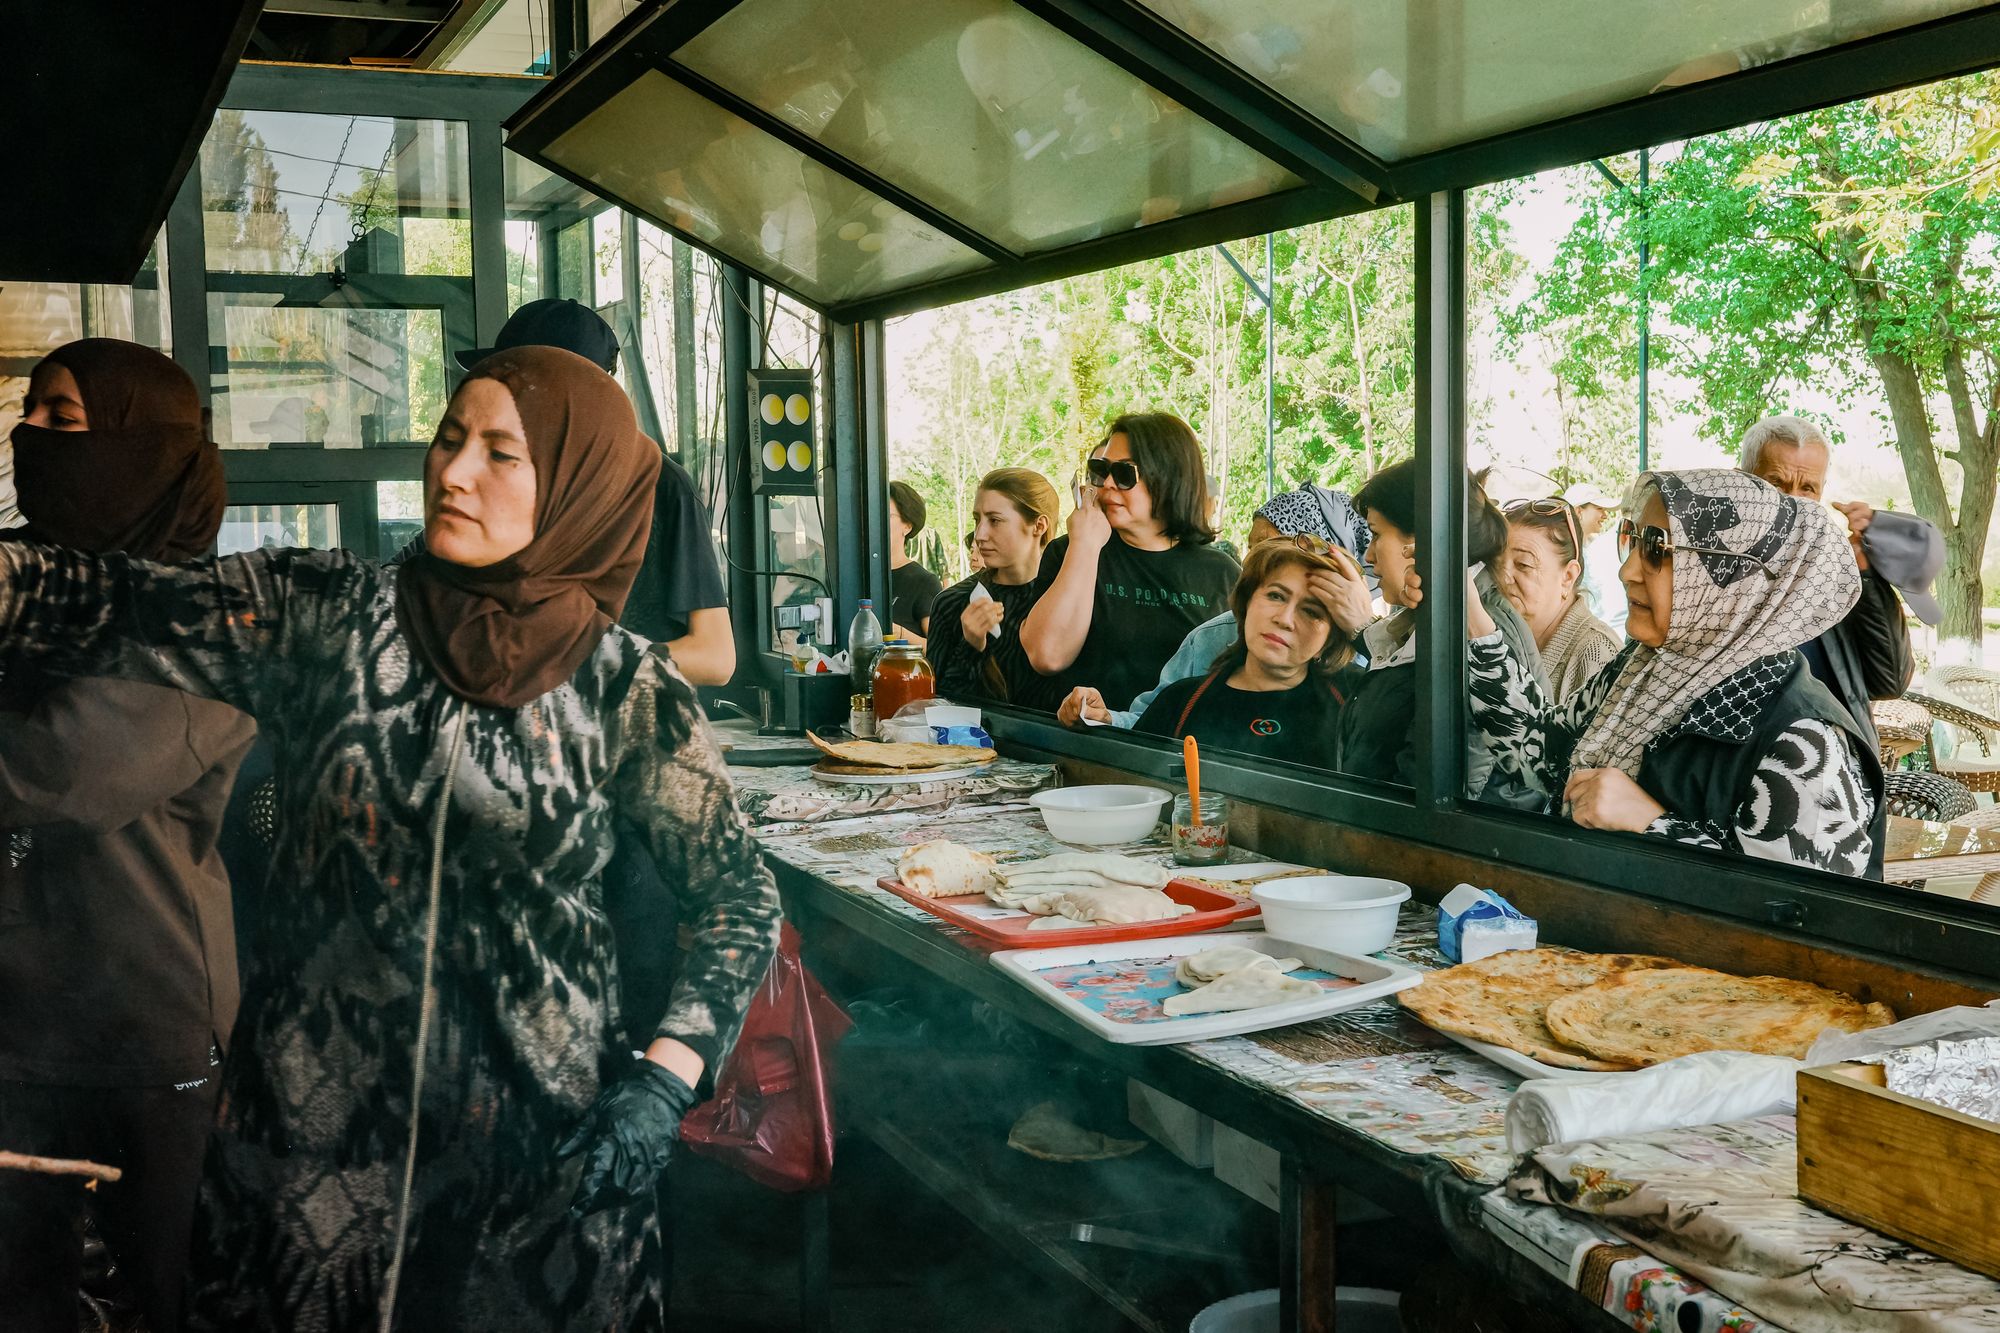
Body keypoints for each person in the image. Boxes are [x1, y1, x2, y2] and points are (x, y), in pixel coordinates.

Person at [0, 348, 781, 1329]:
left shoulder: (621, 686)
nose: (453, 471)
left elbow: (737, 897)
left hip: (531, 1172)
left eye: (501, 453)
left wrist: (666, 1080)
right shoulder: (321, 613)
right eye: (450, 438)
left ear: (574, 487)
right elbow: (88, 599)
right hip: (310, 1171)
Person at [0, 341, 250, 1333]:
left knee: (159, 1298)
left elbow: (55, 774)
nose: (31, 437)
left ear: (142, 449)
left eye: (65, 422)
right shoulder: (33, 583)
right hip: (15, 1027)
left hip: (141, 1039)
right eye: (30, 413)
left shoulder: (206, 620)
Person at [1468, 468, 1884, 877]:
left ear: (1736, 581)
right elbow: (1543, 749)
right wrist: (1465, 600)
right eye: (1631, 540)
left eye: (1656, 550)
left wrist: (1651, 822)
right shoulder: (1646, 668)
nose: (1627, 571)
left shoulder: (1806, 739)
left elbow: (1804, 915)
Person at [457, 297, 735, 686]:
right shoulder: (503, 476)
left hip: (623, 737)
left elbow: (715, 657)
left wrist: (576, 658)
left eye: (515, 383)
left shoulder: (662, 487)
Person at [1057, 482, 1375, 729]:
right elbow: (1152, 722)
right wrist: (1107, 719)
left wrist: (1366, 633)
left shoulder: (1368, 660)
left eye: (1311, 611)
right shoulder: (1211, 639)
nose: (1285, 618)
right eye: (1255, 548)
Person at [1334, 460, 1545, 803]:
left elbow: (1434, 794)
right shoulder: (1434, 617)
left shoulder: (1476, 631)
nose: (1368, 555)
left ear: (1419, 542)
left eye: (1376, 535)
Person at [1737, 414, 1935, 757]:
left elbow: (1888, 681)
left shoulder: (1835, 574)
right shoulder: (1710, 572)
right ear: (1744, 481)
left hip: (1837, 766)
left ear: (1821, 493)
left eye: (1807, 488)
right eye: (1777, 484)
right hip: (1743, 768)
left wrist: (1865, 574)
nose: (1793, 501)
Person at [1021, 412, 1240, 711]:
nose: (1107, 483)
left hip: (1176, 747)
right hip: (1085, 742)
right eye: (1100, 470)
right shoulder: (1071, 551)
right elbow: (1047, 655)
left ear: (1169, 478)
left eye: (1125, 474)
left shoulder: (1221, 573)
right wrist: (1085, 543)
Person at [1133, 539, 1355, 761]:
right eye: (1276, 596)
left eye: (1311, 611)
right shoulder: (1178, 702)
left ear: (1330, 639)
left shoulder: (1354, 709)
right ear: (1246, 602)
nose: (1285, 619)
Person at [926, 468, 1060, 707]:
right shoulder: (953, 602)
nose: (979, 534)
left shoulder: (1066, 600)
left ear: (1038, 526)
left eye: (995, 521)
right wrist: (971, 646)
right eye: (977, 520)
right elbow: (938, 706)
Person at [1501, 498, 1623, 698]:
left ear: (1568, 577)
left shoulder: (1599, 655)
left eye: (1523, 564)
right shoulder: (1501, 633)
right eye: (1497, 563)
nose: (1504, 576)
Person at [1564, 480, 1627, 629]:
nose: (1605, 515)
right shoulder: (1566, 554)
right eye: (1599, 509)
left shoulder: (1596, 547)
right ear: (1579, 511)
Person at [887, 480, 943, 646]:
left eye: (887, 515)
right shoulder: (855, 577)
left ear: (908, 526)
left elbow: (938, 649)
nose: (876, 522)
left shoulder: (923, 582)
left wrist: (899, 633)